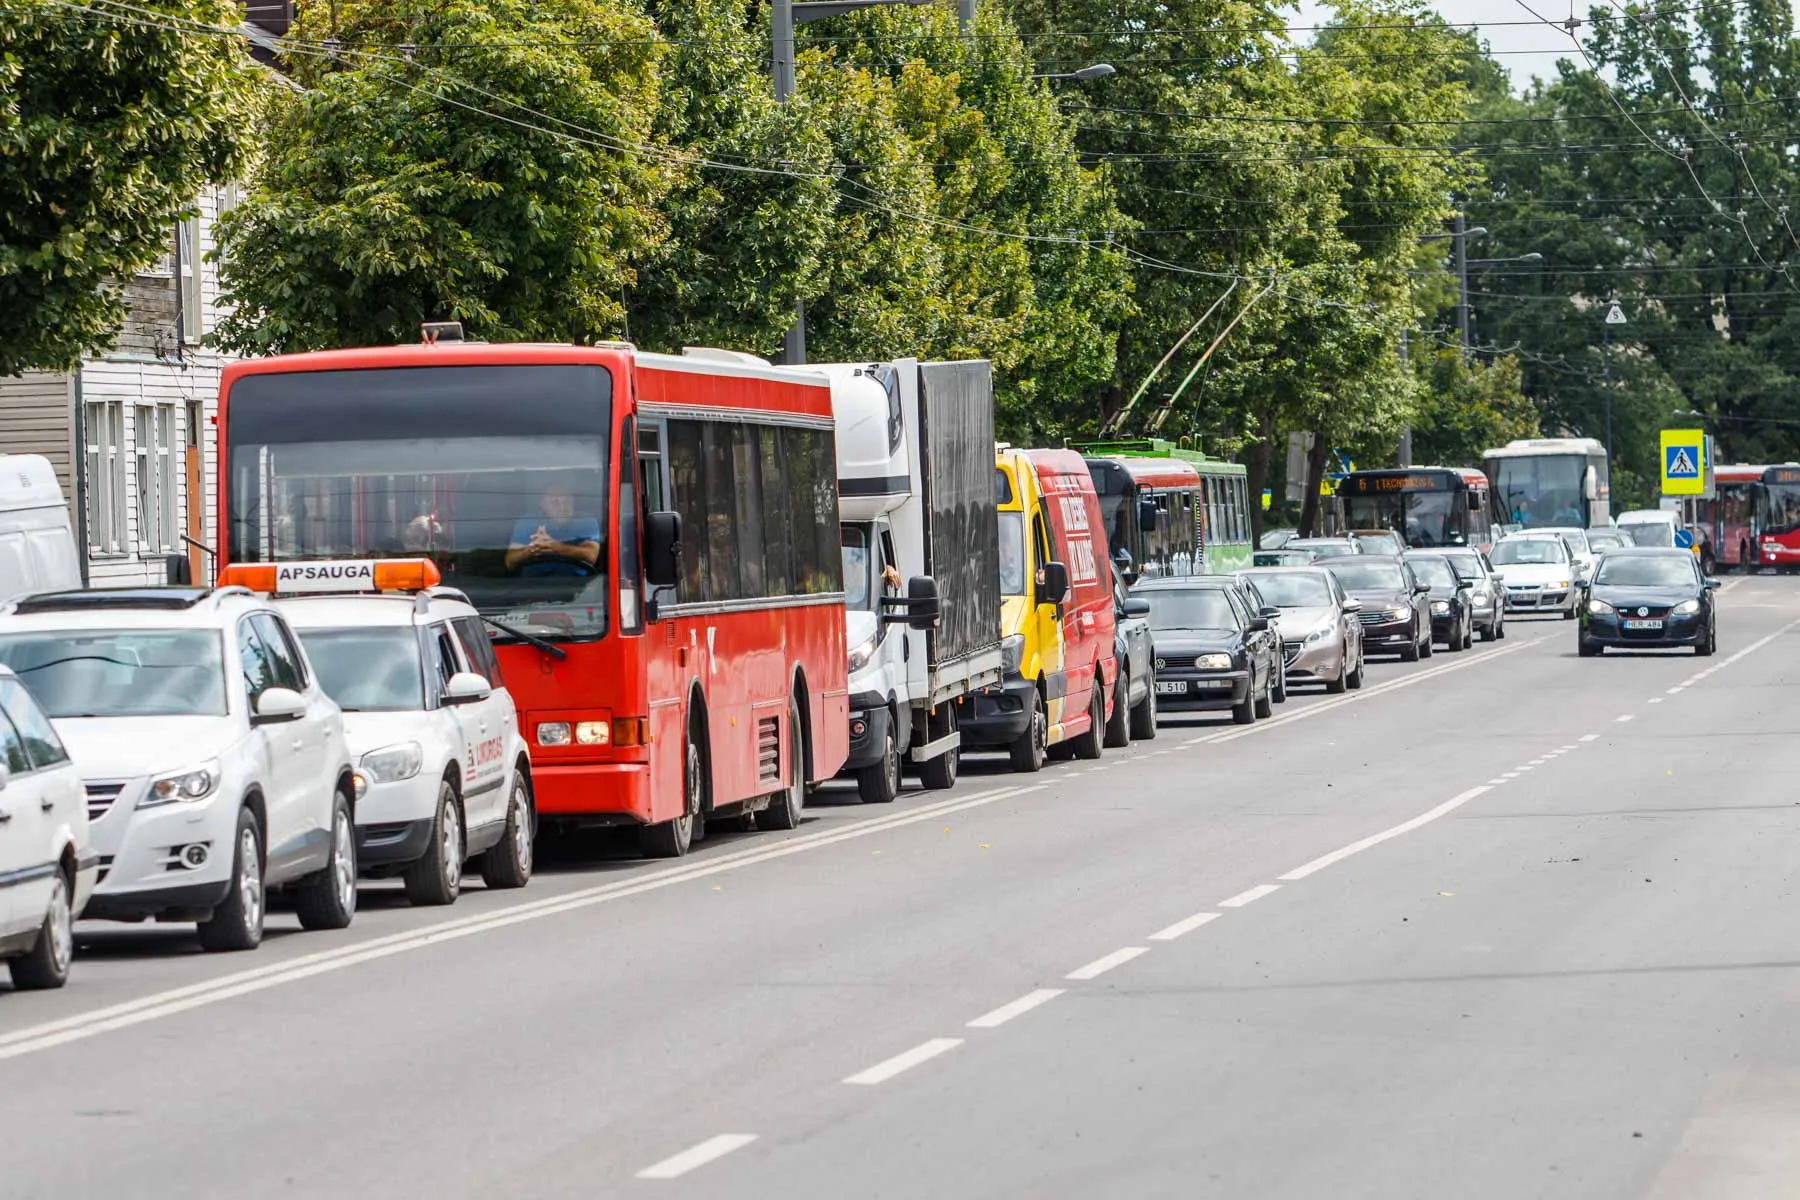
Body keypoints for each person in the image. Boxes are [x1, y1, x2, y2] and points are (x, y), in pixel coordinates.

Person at [506, 485, 601, 576]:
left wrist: (555, 547)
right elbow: (510, 561)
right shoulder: (528, 522)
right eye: (555, 502)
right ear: (543, 505)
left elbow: (591, 555)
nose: (562, 508)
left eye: (567, 502)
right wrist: (532, 549)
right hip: (534, 584)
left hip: (577, 584)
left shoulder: (586, 522)